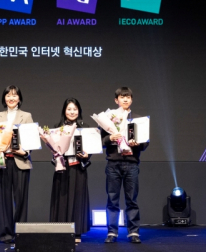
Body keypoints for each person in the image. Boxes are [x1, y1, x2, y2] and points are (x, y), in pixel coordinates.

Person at [101, 87, 149, 244]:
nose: (125, 99)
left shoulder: (139, 120)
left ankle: (133, 232)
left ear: (132, 100)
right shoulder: (108, 119)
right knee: (112, 199)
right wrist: (110, 138)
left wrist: (137, 143)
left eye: (128, 97)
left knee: (131, 200)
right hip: (113, 163)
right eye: (122, 97)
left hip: (131, 163)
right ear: (116, 100)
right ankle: (112, 232)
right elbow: (100, 141)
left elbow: (145, 143)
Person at [0, 85, 33, 243]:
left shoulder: (26, 116)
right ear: (4, 98)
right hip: (2, 161)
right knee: (4, 199)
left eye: (14, 95)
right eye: (8, 95)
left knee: (21, 199)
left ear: (19, 98)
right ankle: (6, 234)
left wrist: (25, 152)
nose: (11, 98)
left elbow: (31, 139)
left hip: (20, 161)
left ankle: (20, 234)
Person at [49, 98, 91, 243]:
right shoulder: (57, 128)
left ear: (79, 111)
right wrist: (57, 154)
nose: (72, 112)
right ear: (64, 111)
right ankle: (61, 231)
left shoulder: (85, 128)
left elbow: (90, 149)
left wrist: (87, 155)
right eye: (69, 109)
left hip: (78, 168)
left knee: (78, 199)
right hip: (63, 167)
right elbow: (53, 149)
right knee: (61, 198)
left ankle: (77, 232)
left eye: (75, 109)